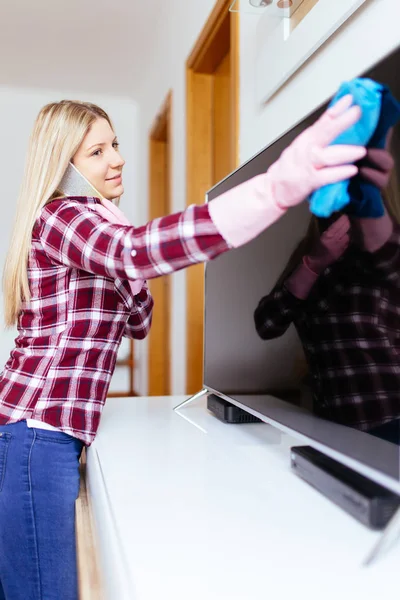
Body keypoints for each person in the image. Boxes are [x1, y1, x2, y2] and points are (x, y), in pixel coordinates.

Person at [0, 95, 364, 600]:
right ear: (64, 169)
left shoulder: (95, 227)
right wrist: (272, 192)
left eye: (116, 145)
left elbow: (141, 320)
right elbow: (134, 257)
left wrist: (123, 255)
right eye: (97, 152)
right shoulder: (65, 217)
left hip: (50, 434)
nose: (117, 159)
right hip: (36, 433)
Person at [254, 137, 400, 444]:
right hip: (331, 428)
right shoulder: (308, 254)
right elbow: (267, 324)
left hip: (390, 421)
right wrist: (313, 264)